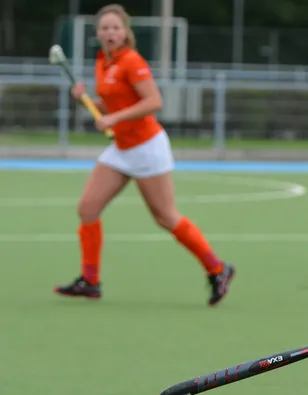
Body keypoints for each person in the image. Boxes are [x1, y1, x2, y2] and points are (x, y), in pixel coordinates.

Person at [54, 3, 235, 306]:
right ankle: (90, 281)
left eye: (115, 27)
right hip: (121, 148)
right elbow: (112, 103)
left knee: (165, 217)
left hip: (147, 147)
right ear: (98, 33)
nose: (110, 33)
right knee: (87, 209)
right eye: (105, 28)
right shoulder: (103, 62)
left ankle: (218, 269)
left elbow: (153, 101)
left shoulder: (131, 61)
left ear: (125, 32)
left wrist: (113, 118)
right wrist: (86, 100)